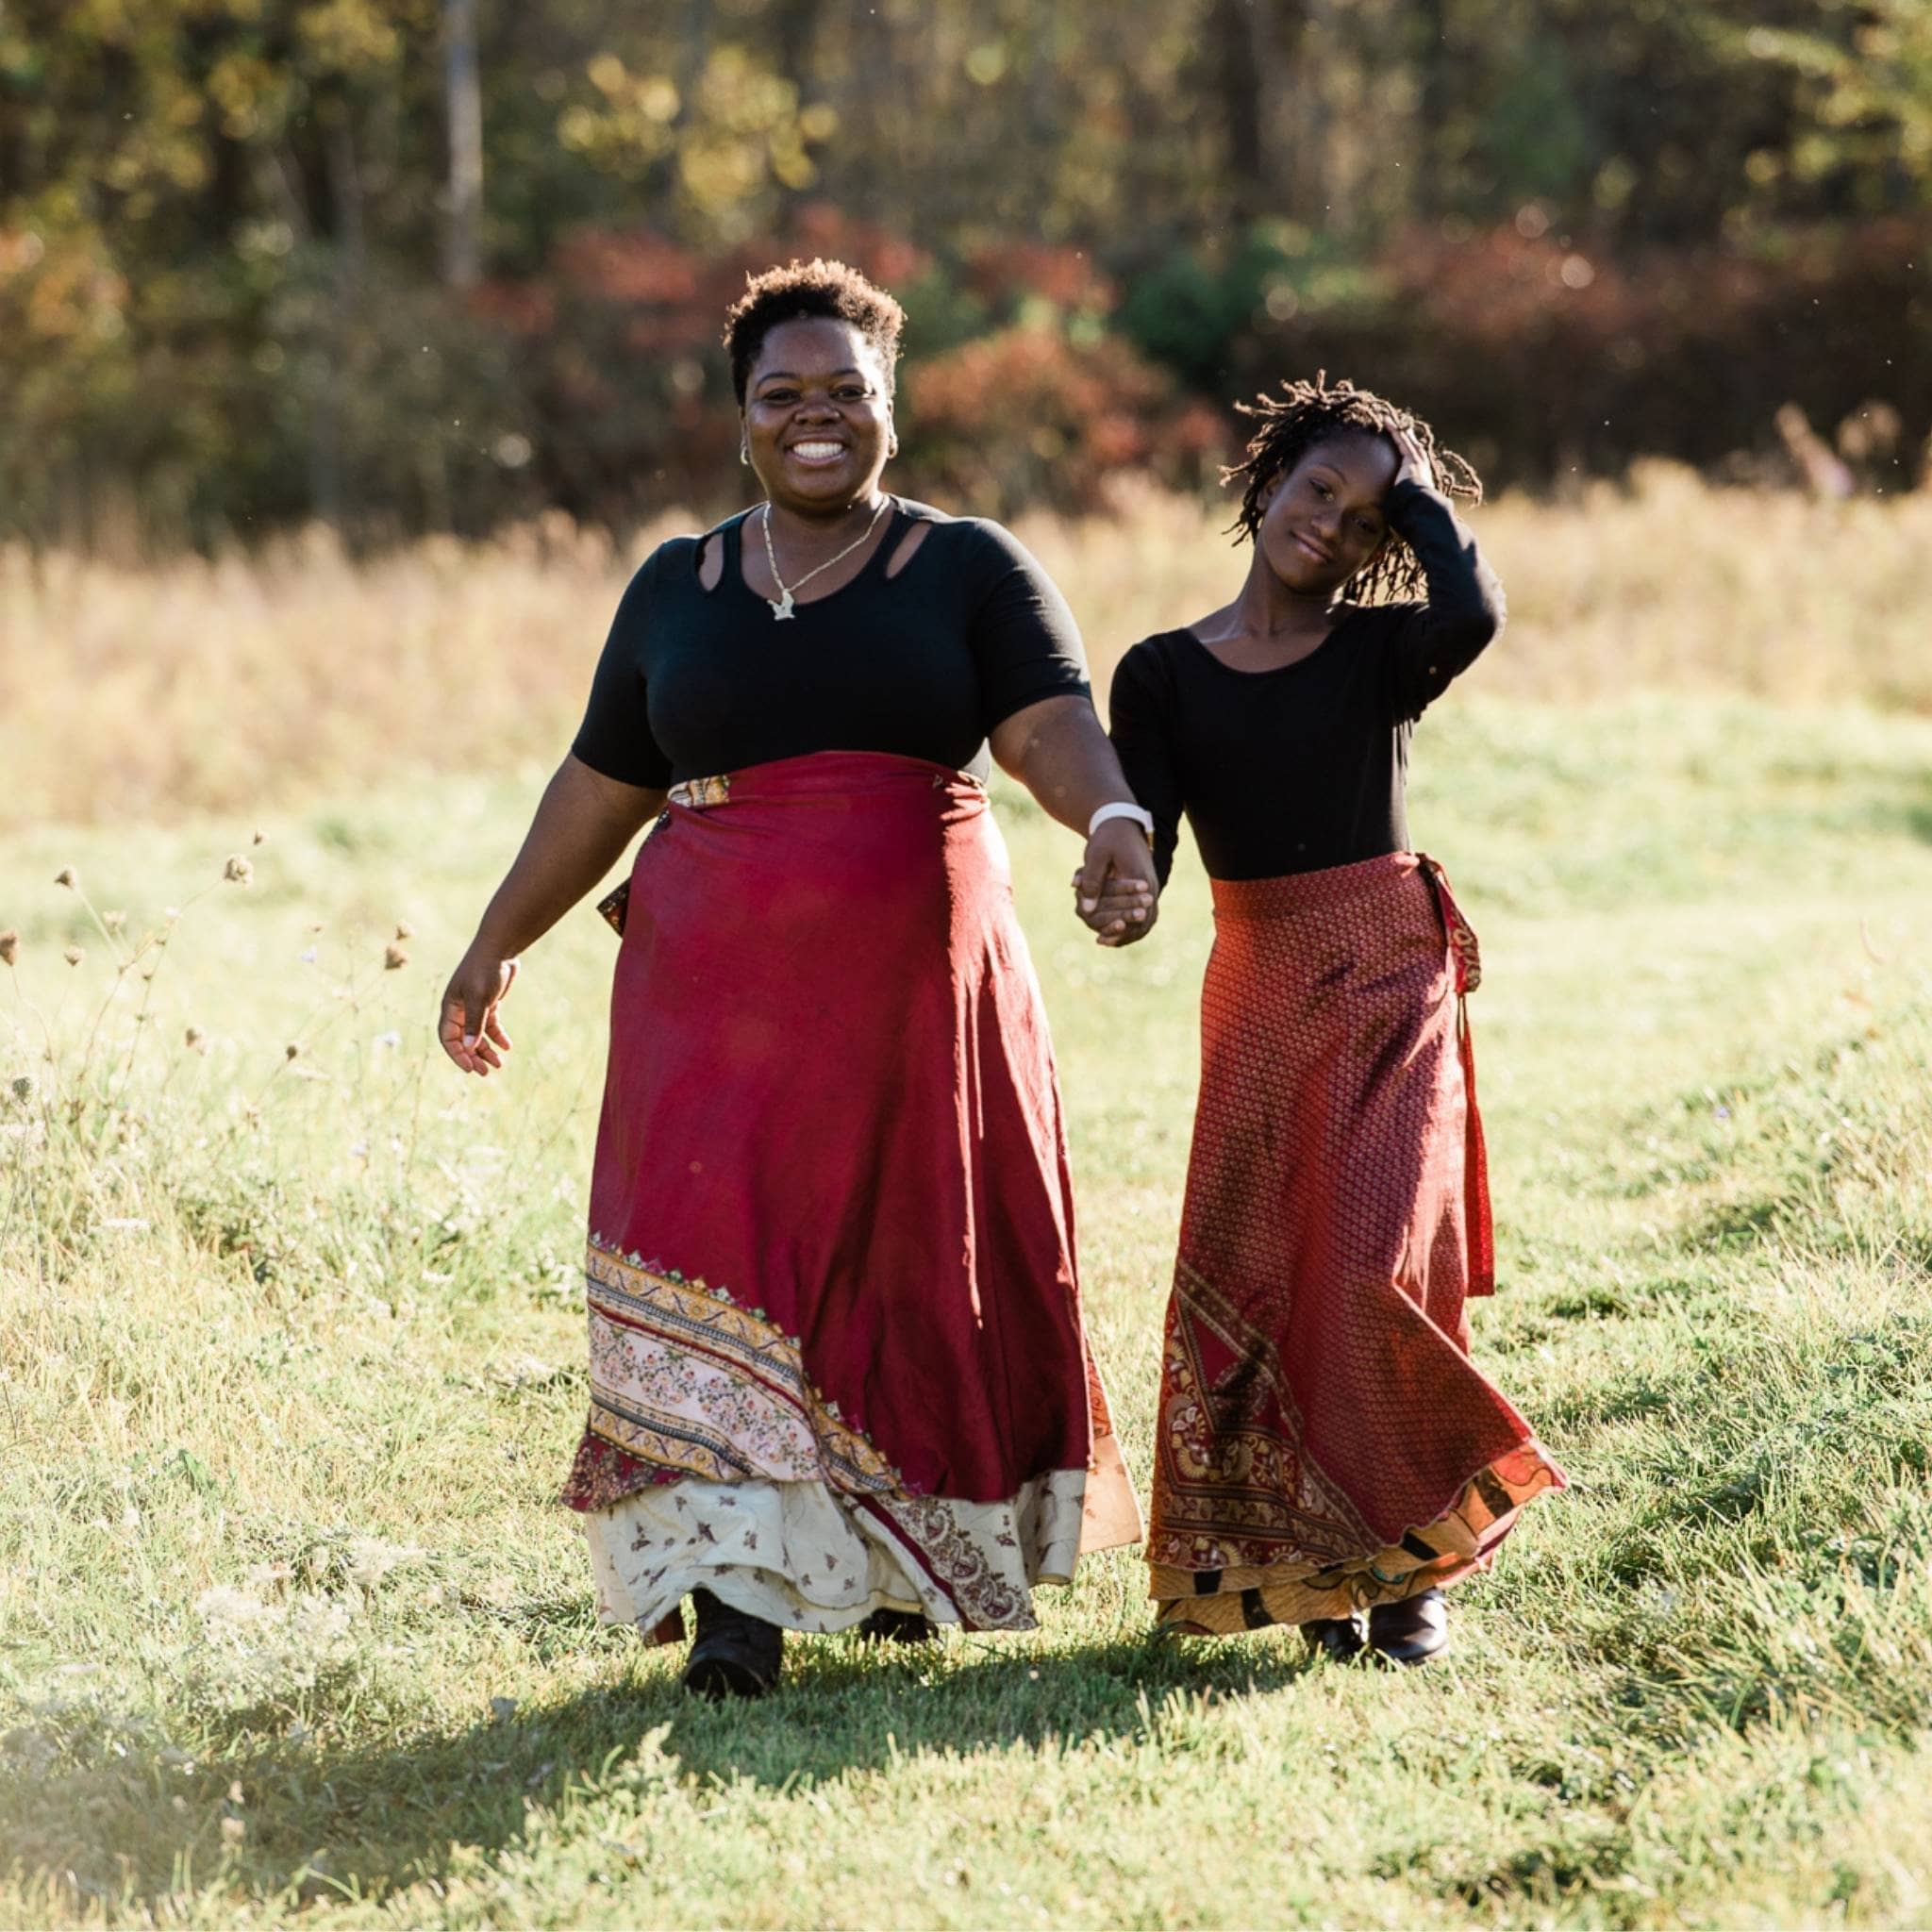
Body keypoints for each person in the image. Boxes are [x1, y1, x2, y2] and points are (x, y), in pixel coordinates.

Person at [439, 258, 1153, 1699]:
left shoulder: (970, 569)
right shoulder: (676, 586)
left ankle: (897, 1568)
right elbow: (603, 781)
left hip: (910, 990)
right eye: (785, 394)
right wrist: (496, 936)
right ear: (742, 417)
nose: (816, 415)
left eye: (847, 391)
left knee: (899, 1258)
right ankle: (736, 1610)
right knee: (716, 1250)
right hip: (707, 994)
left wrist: (1119, 821)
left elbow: (1046, 730)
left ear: (890, 406)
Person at [1105, 374, 1565, 1665]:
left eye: (1369, 521)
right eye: (1319, 490)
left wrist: (1406, 486)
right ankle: (1317, 1575)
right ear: (1266, 487)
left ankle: (1411, 1570)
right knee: (1268, 1274)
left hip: (1386, 975)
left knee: (1372, 1270)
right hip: (1256, 983)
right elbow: (1142, 824)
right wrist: (1124, 880)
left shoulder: (1385, 655)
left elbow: (1472, 604)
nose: (1335, 527)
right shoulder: (1160, 675)